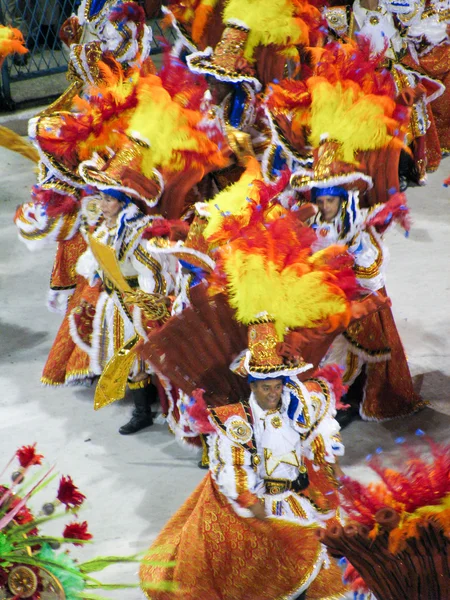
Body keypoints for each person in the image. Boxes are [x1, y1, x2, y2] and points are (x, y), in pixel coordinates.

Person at [140, 318, 348, 600]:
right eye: (266, 388)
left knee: (323, 553)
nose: (274, 393)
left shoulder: (301, 400)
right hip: (265, 498)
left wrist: (329, 457)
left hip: (304, 492)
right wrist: (249, 500)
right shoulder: (237, 421)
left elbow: (321, 429)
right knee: (278, 569)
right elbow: (234, 466)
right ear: (252, 386)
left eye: (278, 385)